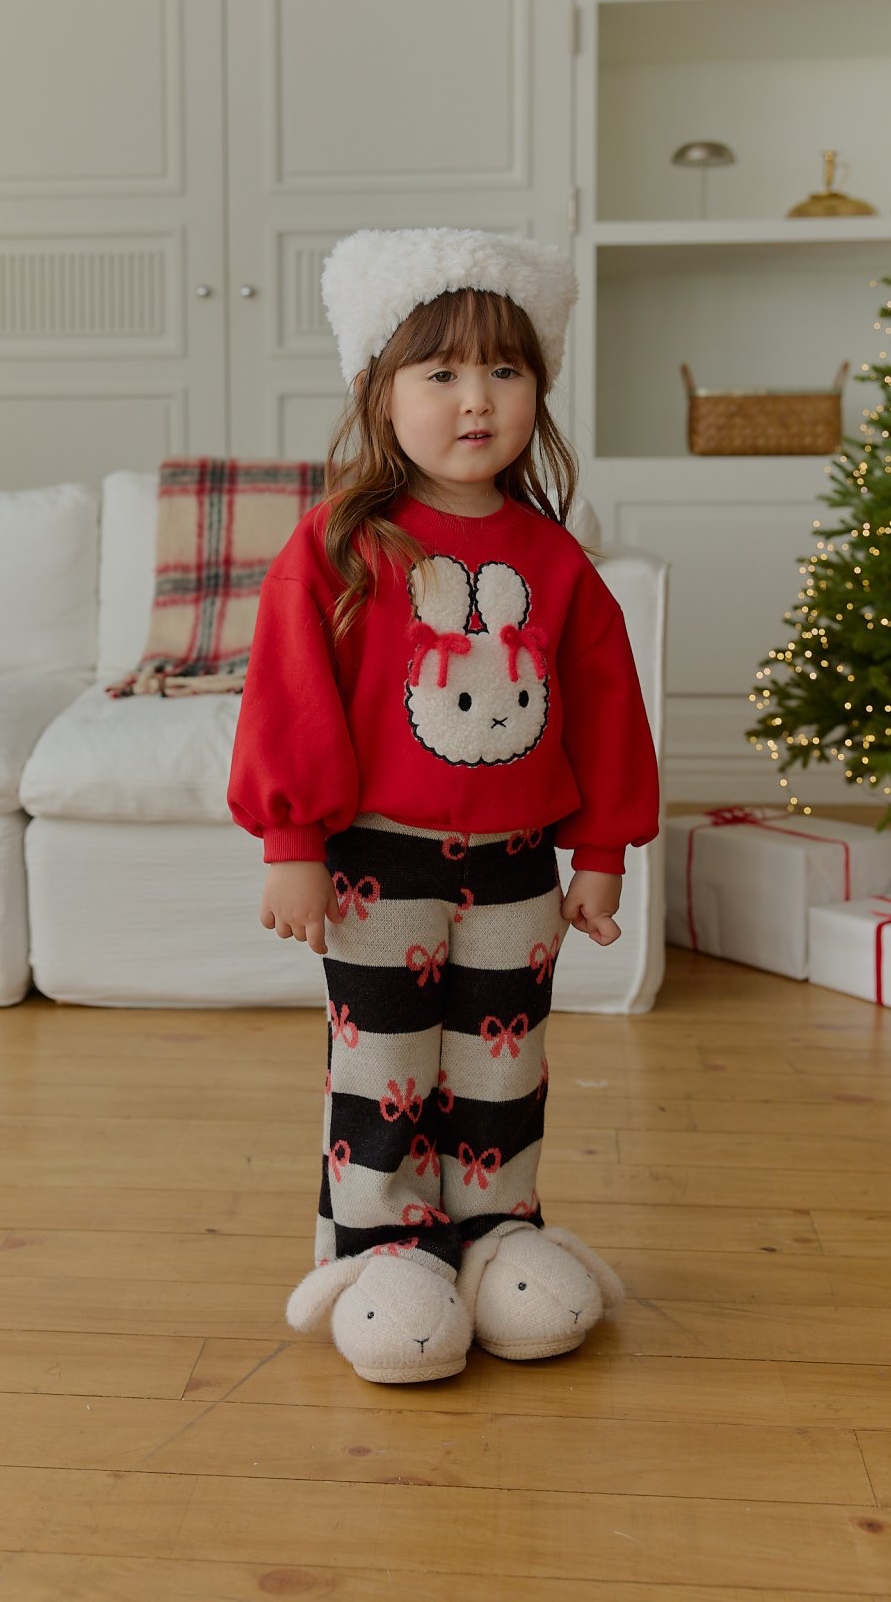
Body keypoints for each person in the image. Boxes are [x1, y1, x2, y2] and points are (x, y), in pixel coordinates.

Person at [227, 227, 659, 1384]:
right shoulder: (338, 545)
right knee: (383, 1068)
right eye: (441, 372)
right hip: (376, 867)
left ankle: (497, 1234)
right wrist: (290, 839)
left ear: (537, 389)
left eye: (504, 370)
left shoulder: (555, 562)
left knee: (501, 1067)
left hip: (518, 871)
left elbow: (606, 711)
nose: (476, 399)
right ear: (377, 390)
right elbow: (288, 698)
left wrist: (601, 850)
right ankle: (383, 1249)